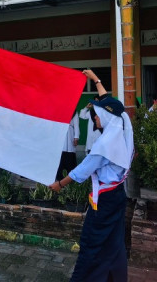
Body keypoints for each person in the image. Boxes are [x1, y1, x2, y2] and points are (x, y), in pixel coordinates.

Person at [50, 69, 134, 282]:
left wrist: (60, 184)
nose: (95, 118)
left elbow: (82, 171)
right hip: (117, 196)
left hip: (104, 201)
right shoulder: (123, 124)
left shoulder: (104, 145)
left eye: (97, 115)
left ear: (106, 116)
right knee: (114, 243)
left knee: (92, 243)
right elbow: (111, 103)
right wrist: (95, 79)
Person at [56, 111, 79, 180]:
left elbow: (76, 125)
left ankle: (70, 179)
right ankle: (59, 178)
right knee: (60, 157)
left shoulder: (74, 112)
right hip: (60, 132)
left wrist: (76, 137)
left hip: (70, 134)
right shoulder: (59, 110)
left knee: (69, 156)